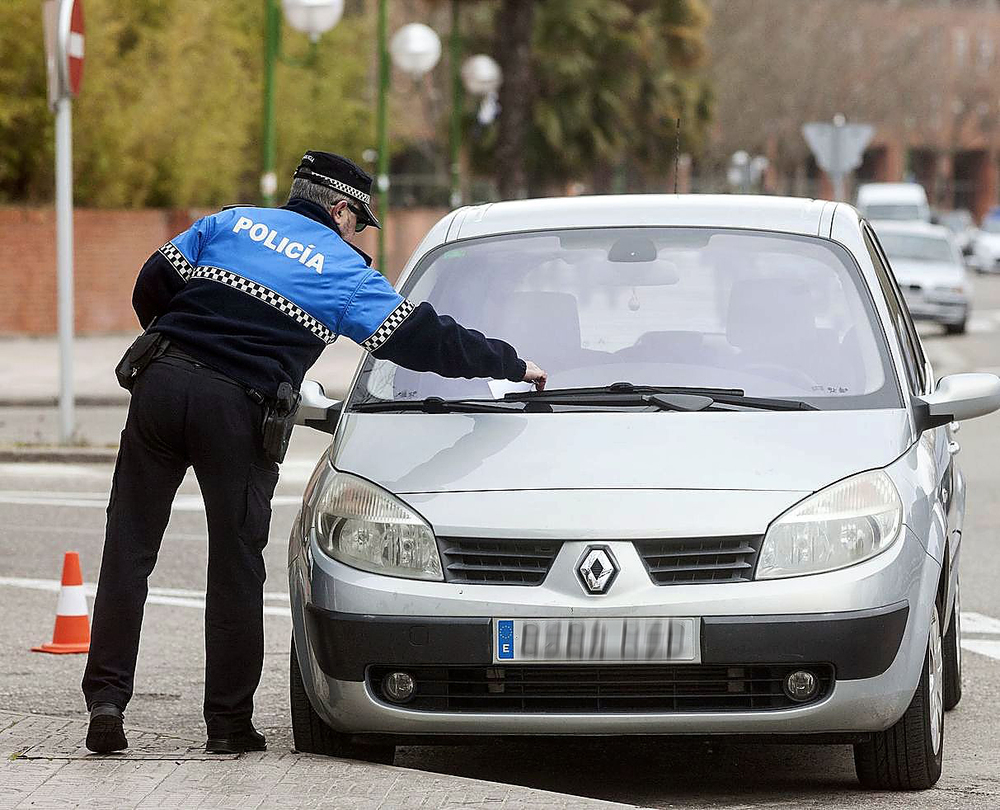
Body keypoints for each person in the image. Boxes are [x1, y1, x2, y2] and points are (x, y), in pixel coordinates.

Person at [81, 151, 547, 754]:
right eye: (360, 221)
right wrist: (509, 363)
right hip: (237, 408)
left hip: (161, 384)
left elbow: (151, 285)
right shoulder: (344, 272)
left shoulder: (230, 223)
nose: (359, 233)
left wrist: (190, 342)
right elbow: (421, 339)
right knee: (235, 566)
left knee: (128, 550)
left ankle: (107, 703)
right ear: (340, 209)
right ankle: (226, 727)